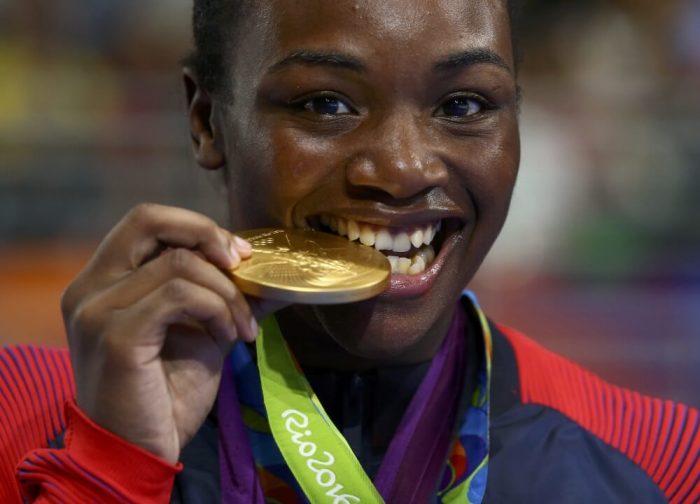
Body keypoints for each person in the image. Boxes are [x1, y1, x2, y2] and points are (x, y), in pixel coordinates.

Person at [0, 0, 697, 502]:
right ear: (207, 120)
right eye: (326, 105)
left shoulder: (661, 460)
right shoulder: (18, 413)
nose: (400, 170)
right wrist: (109, 472)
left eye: (463, 105)